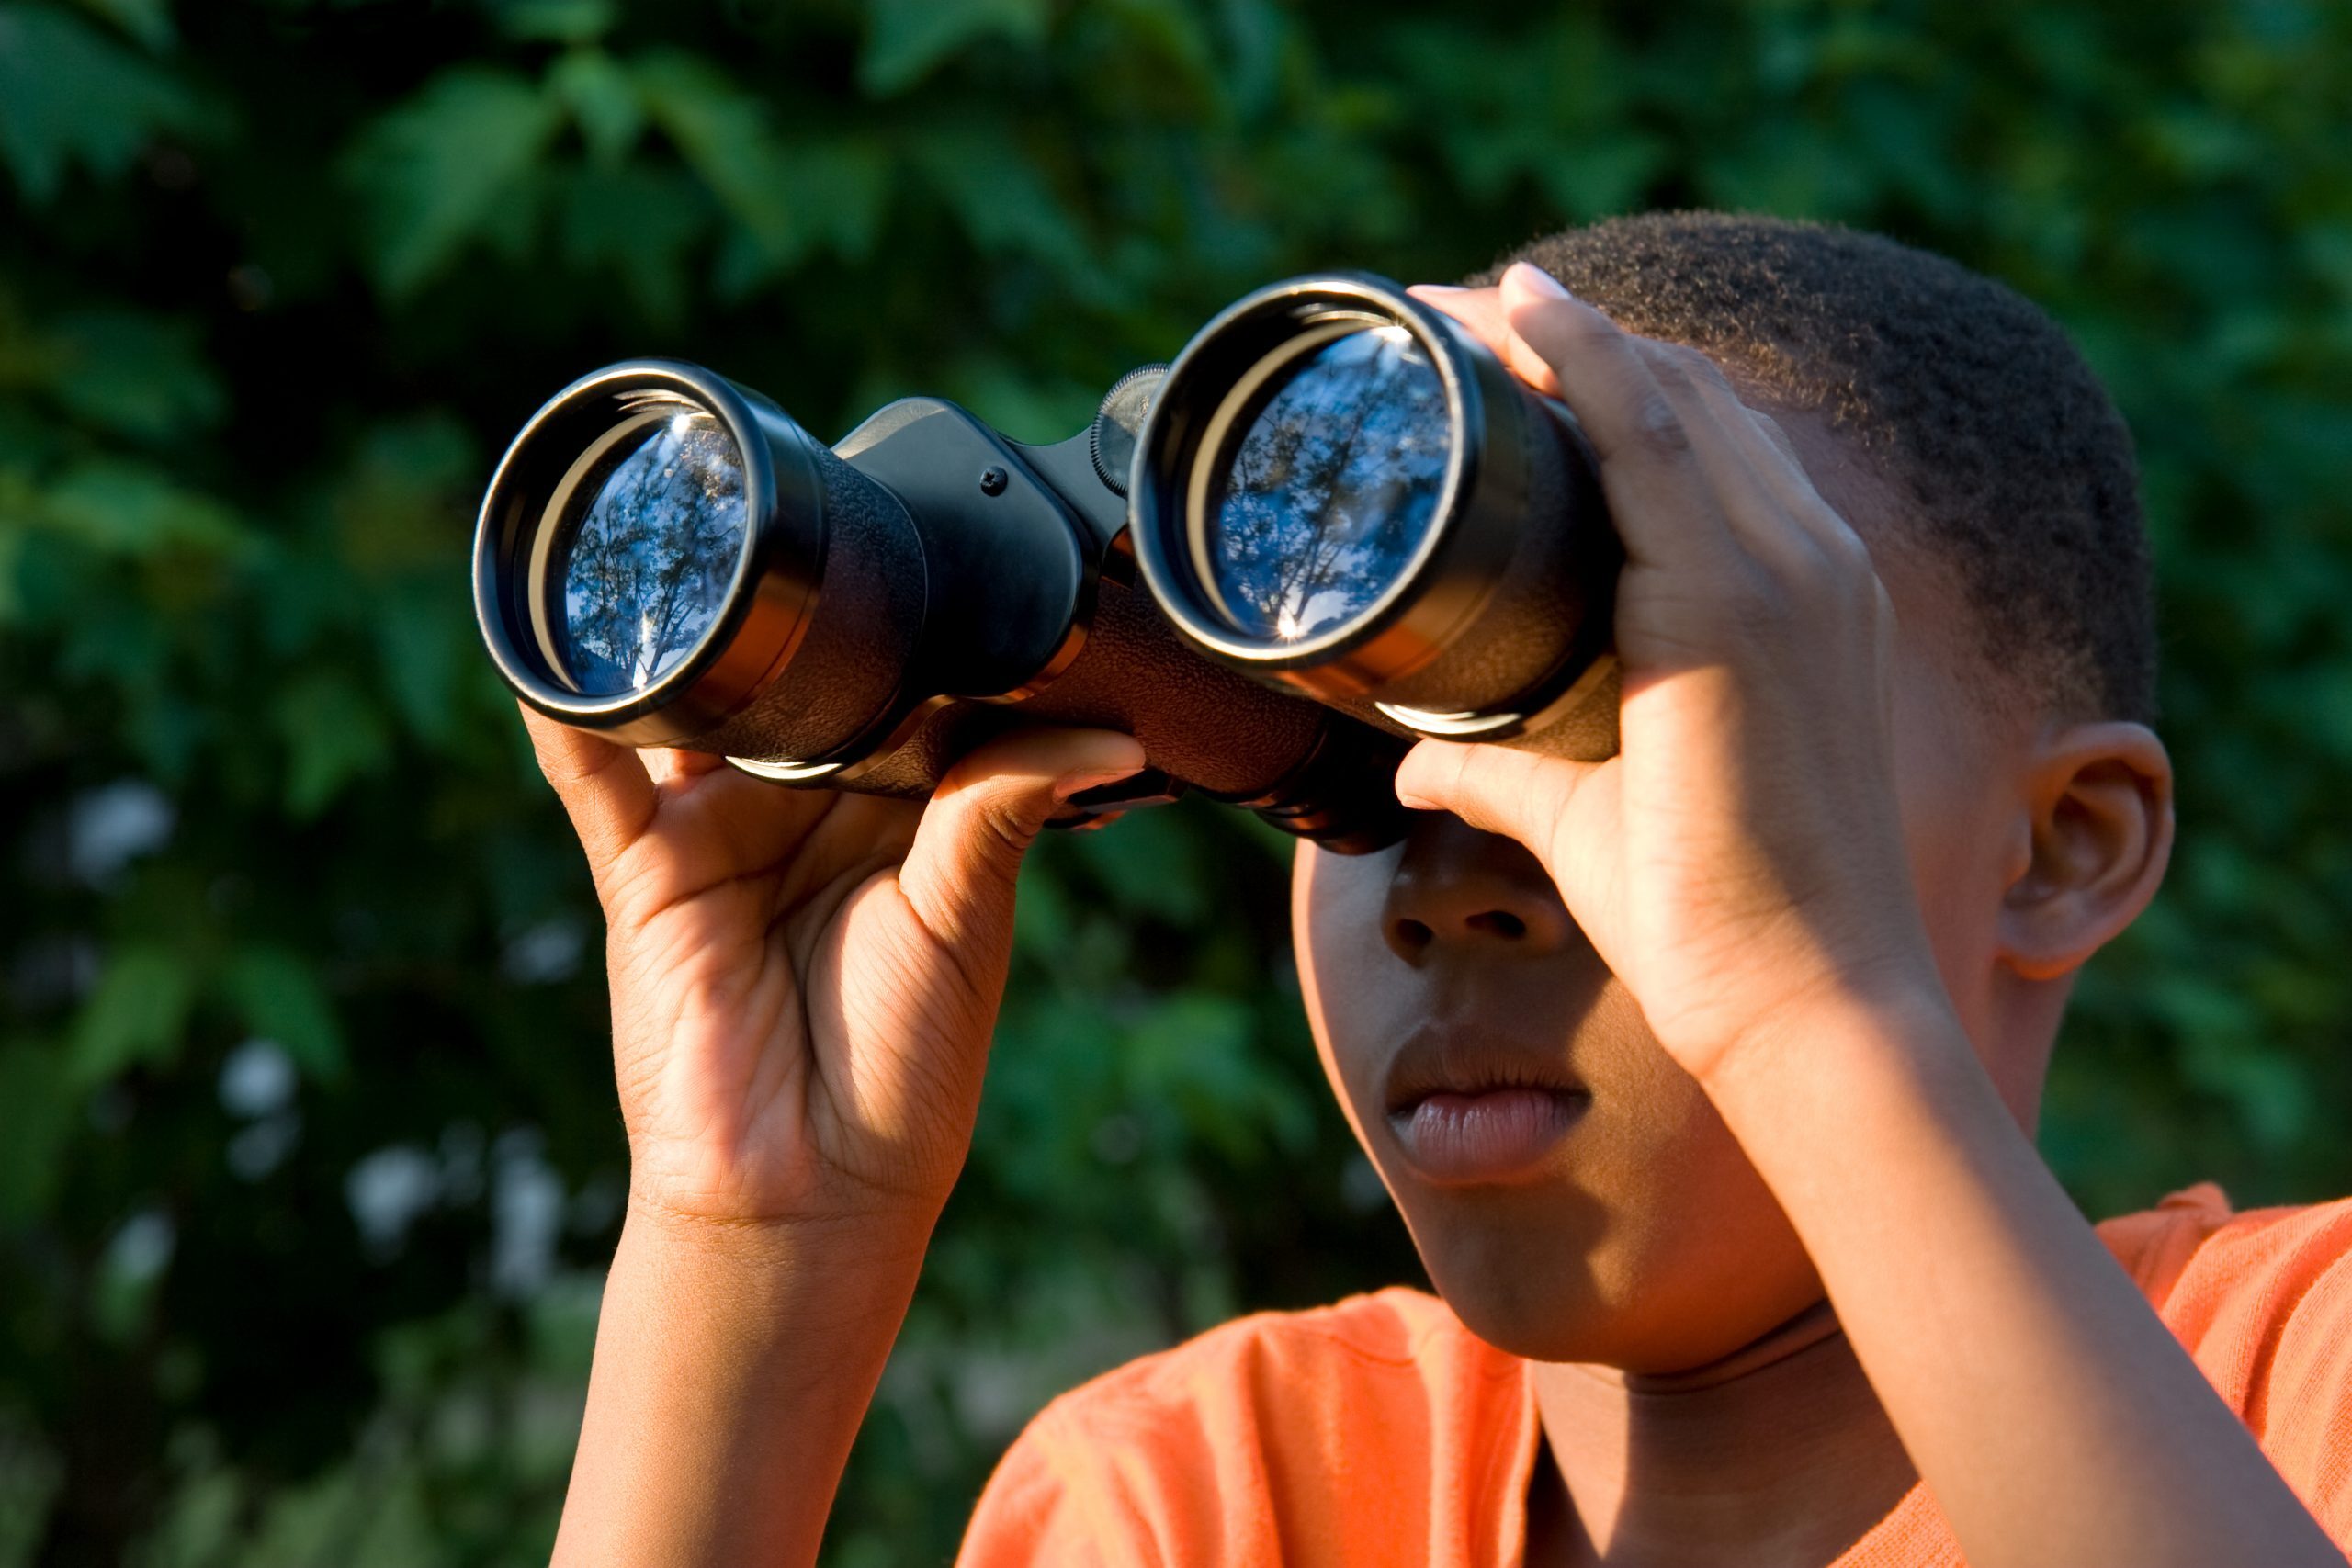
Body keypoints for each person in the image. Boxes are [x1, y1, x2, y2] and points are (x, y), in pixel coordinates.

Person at [521, 214, 2352, 1566]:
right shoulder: (1213, 1493)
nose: (1445, 887)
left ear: (2064, 844)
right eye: (1359, 752)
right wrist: (751, 1247)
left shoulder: (2297, 1380)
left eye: (1626, 731)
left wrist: (1805, 1006)